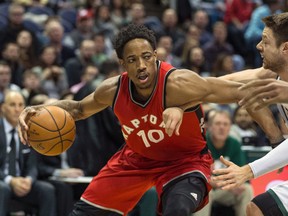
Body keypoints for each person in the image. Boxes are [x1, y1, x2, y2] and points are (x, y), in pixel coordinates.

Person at [17, 23, 282, 216]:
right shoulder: (113, 89)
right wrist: (35, 108)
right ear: (123, 64)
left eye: (146, 57)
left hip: (184, 161)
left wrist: (276, 138)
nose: (141, 65)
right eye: (132, 60)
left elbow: (240, 92)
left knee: (177, 210)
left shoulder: (178, 83)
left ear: (156, 55)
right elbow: (75, 110)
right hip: (135, 160)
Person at [210, 12, 288, 216]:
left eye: (265, 41)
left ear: (285, 48)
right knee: (257, 209)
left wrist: (247, 170)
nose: (258, 46)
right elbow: (230, 84)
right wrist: (189, 96)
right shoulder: (274, 74)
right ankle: (276, 140)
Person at [0, 90, 56, 216]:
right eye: (12, 105)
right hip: (3, 181)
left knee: (47, 190)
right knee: (2, 189)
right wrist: (10, 180)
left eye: (20, 105)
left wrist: (29, 180)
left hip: (22, 183)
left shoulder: (29, 131)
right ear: (3, 108)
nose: (17, 109)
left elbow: (32, 165)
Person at [193, 109, 253, 216]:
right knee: (205, 192)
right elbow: (196, 174)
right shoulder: (201, 143)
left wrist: (235, 184)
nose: (222, 127)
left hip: (225, 190)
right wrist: (213, 182)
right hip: (206, 189)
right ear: (209, 127)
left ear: (230, 127)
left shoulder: (234, 144)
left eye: (225, 124)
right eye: (218, 123)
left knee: (247, 190)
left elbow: (241, 172)